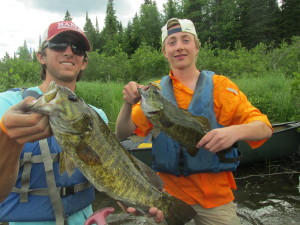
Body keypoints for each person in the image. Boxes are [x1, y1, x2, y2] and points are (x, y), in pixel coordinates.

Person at [115, 18, 273, 225]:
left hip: (216, 200)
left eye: (186, 40)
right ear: (164, 52)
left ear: (196, 47)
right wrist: (127, 104)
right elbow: (122, 134)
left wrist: (234, 132)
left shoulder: (222, 87)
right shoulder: (154, 93)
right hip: (167, 198)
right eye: (171, 42)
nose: (179, 47)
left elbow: (264, 128)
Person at [0, 21, 109, 225]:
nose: (69, 51)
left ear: (83, 62)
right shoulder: (5, 105)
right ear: (41, 56)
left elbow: (108, 174)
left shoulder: (98, 116)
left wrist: (134, 201)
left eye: (77, 48)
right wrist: (6, 137)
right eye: (59, 44)